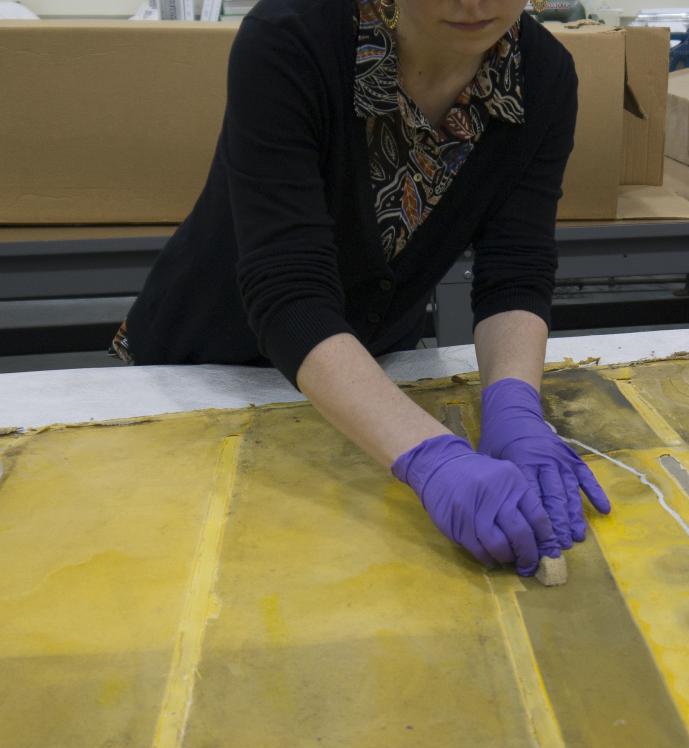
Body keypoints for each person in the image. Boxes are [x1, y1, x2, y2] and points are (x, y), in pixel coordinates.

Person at [113, 0, 611, 576]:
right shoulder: (293, 38)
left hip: (363, 388)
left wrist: (515, 406)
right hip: (202, 374)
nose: (474, 4)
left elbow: (516, 267)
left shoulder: (542, 75)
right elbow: (288, 287)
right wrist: (432, 456)